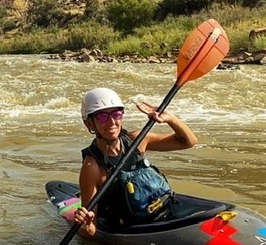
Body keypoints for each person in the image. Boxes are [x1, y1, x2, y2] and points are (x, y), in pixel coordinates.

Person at [71, 87, 198, 236]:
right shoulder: (92, 167)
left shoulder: (137, 140)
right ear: (89, 124)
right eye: (102, 117)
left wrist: (170, 119)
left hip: (164, 209)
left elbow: (188, 142)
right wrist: (86, 224)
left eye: (116, 114)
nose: (112, 122)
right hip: (134, 228)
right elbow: (90, 230)